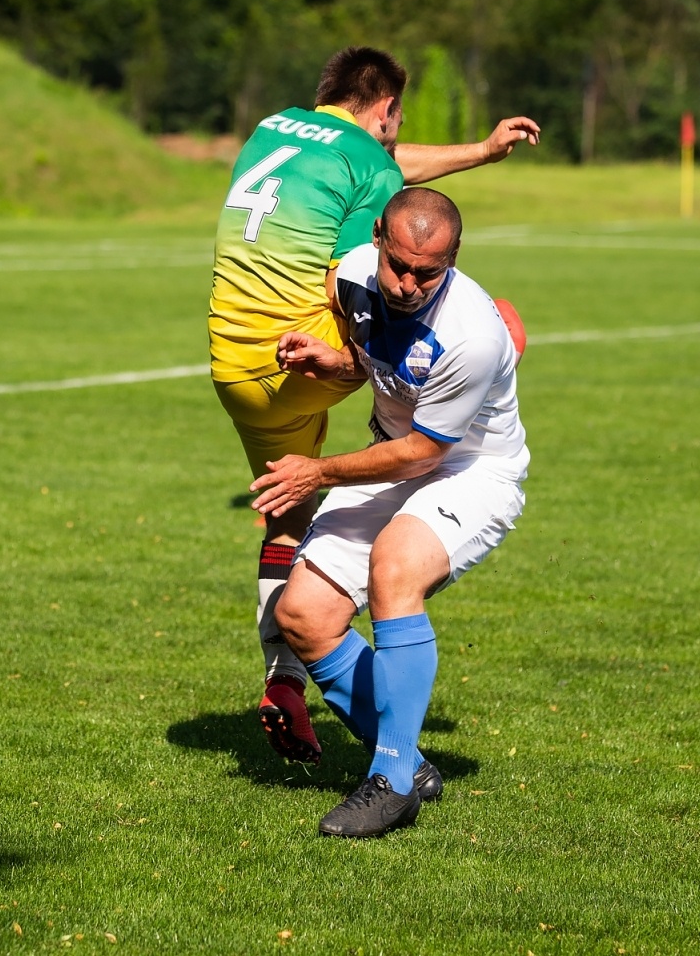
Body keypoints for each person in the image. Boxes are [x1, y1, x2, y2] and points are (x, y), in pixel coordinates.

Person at [208, 46, 539, 763]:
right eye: (398, 121)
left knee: (286, 511)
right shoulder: (375, 173)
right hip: (298, 353)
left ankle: (302, 670)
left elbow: (387, 176)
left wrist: (480, 151)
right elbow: (383, 223)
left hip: (230, 358)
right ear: (385, 109)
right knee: (415, 332)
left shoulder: (276, 127)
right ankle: (287, 675)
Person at [249, 187, 529, 838]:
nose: (406, 283)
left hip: (472, 470)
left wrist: (316, 471)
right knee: (303, 613)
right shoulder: (348, 276)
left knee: (395, 567)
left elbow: (421, 452)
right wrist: (338, 360)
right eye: (397, 264)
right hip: (395, 453)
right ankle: (403, 753)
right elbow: (385, 360)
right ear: (377, 235)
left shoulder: (473, 335)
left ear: (454, 258)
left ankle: (393, 779)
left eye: (426, 272)